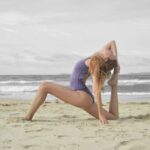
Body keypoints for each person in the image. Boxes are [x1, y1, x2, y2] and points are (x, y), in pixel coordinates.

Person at [24, 40, 120, 124]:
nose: (109, 52)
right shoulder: (97, 55)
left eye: (111, 54)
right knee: (114, 117)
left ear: (106, 60)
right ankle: (113, 86)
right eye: (111, 53)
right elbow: (112, 42)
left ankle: (28, 117)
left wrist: (100, 113)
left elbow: (96, 90)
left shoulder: (96, 65)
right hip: (83, 96)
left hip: (82, 96)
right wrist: (116, 66)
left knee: (44, 86)